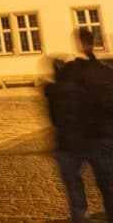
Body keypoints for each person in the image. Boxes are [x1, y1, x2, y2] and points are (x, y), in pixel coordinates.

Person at [45, 29, 113, 222]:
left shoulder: (65, 73)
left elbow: (54, 114)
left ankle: (81, 218)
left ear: (78, 44)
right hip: (101, 137)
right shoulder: (105, 72)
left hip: (69, 141)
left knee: (75, 190)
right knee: (108, 186)